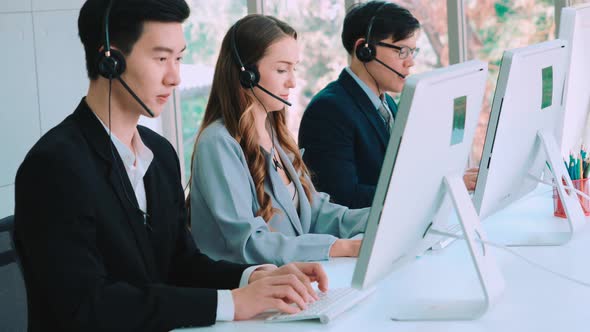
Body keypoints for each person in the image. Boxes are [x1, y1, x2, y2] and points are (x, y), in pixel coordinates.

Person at [13, 1, 327, 330]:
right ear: (110, 59)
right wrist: (231, 303)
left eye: (178, 58)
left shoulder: (159, 154)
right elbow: (88, 304)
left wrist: (255, 277)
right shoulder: (54, 166)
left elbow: (181, 264)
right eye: (161, 58)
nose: (175, 77)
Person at [189, 14, 369, 266]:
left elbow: (315, 213)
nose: (292, 81)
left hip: (294, 282)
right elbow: (249, 242)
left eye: (294, 69)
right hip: (252, 293)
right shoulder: (218, 143)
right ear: (246, 75)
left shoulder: (277, 136)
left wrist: (379, 219)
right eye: (282, 69)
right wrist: (339, 247)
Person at [298, 1, 478, 209]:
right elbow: (342, 198)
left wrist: (448, 181)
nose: (410, 62)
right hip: (358, 238)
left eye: (413, 52)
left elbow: (402, 176)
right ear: (363, 50)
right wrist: (434, 190)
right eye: (401, 51)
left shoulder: (388, 104)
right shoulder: (328, 111)